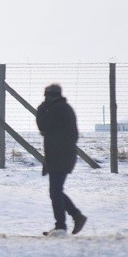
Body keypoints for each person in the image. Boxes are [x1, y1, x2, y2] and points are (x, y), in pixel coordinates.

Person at [36, 84, 87, 237]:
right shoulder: (64, 109)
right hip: (62, 154)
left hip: (60, 155)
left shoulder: (57, 109)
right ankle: (73, 218)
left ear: (50, 95)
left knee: (55, 192)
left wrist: (40, 109)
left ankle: (63, 225)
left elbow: (43, 125)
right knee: (56, 191)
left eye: (46, 96)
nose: (45, 99)